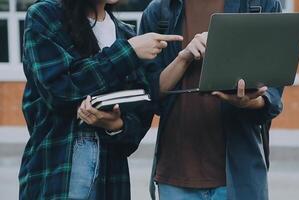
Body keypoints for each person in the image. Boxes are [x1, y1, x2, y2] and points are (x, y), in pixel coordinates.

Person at [19, 0, 182, 199]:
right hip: (57, 172)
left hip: (111, 179)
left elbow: (141, 115)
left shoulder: (126, 34)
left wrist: (117, 125)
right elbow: (59, 90)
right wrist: (128, 52)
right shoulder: (45, 15)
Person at [139, 0, 284, 199]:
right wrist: (184, 57)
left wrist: (248, 102)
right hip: (176, 178)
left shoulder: (260, 4)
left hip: (240, 178)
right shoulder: (160, 10)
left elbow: (272, 97)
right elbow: (150, 93)